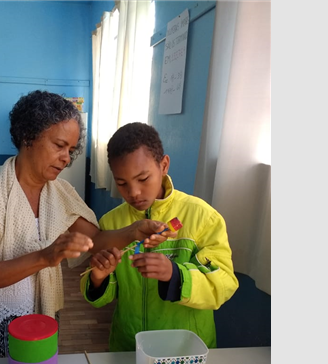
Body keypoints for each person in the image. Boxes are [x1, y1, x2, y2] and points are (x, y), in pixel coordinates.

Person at [0, 91, 172, 358]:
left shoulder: (60, 193)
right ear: (28, 137)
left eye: (71, 149)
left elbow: (95, 241)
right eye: (59, 145)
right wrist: (46, 256)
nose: (67, 158)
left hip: (45, 317)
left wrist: (134, 231)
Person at [80, 122, 239, 351]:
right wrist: (98, 277)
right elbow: (106, 292)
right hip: (129, 347)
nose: (133, 193)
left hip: (185, 350)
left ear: (163, 165)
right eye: (122, 183)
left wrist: (174, 274)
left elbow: (224, 283)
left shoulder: (202, 217)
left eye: (143, 179)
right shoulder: (111, 224)